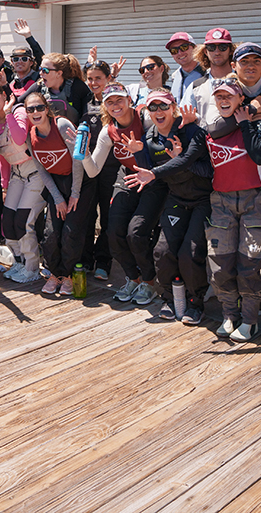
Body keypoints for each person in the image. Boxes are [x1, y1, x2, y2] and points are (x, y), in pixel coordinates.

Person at [201, 42, 261, 336]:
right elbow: (212, 130)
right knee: (228, 256)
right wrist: (248, 113)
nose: (250, 67)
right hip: (231, 187)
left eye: (257, 61)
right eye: (245, 62)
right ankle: (234, 310)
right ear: (235, 66)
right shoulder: (224, 91)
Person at [204, 76, 261, 342]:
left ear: (240, 100)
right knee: (221, 264)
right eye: (219, 96)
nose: (223, 101)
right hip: (221, 201)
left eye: (229, 96)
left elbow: (260, 155)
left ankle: (249, 319)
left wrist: (246, 121)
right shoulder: (210, 127)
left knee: (249, 264)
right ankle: (229, 314)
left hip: (255, 199)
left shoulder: (257, 123)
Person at [133, 90, 211, 325]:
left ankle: (196, 302)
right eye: (153, 107)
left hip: (203, 200)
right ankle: (169, 297)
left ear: (174, 107)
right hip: (176, 198)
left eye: (163, 106)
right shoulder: (150, 138)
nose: (158, 112)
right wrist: (138, 155)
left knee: (190, 252)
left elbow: (192, 164)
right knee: (163, 251)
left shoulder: (192, 130)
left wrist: (166, 166)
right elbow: (146, 172)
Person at [79, 82, 158, 305]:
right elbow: (93, 170)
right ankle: (133, 278)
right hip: (129, 177)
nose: (115, 105)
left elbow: (165, 149)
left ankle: (150, 282)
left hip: (154, 180)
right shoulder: (108, 130)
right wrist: (83, 153)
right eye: (110, 102)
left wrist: (142, 149)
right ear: (104, 105)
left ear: (128, 101)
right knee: (112, 232)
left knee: (136, 233)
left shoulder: (147, 119)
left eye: (119, 100)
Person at [26, 92, 91, 297]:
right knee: (52, 233)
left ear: (46, 109)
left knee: (71, 232)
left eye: (39, 107)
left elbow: (77, 161)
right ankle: (55, 273)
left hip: (79, 181)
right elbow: (42, 170)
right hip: (56, 184)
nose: (35, 112)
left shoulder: (62, 126)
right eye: (30, 109)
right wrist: (58, 198)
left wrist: (74, 194)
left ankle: (69, 275)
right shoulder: (31, 136)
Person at [0, 83, 46, 282]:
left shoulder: (18, 112)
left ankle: (32, 267)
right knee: (8, 220)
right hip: (16, 175)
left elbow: (19, 139)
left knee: (23, 221)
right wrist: (4, 185)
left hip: (34, 171)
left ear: (3, 95)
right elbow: (3, 159)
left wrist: (9, 112)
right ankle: (18, 261)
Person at [79, 61, 116, 280]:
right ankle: (85, 259)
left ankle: (104, 261)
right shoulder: (85, 101)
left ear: (108, 78)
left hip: (111, 168)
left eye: (98, 78)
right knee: (87, 214)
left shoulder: (116, 101)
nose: (94, 83)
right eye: (90, 78)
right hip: (87, 166)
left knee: (108, 218)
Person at [39, 53, 92, 125]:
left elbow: (89, 111)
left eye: (45, 70)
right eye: (40, 69)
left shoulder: (77, 86)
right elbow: (21, 102)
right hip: (48, 134)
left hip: (73, 133)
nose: (40, 73)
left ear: (59, 73)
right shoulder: (39, 86)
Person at [166, 32, 205, 101]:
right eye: (174, 50)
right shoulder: (175, 77)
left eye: (184, 47)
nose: (179, 53)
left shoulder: (207, 73)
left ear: (195, 48)